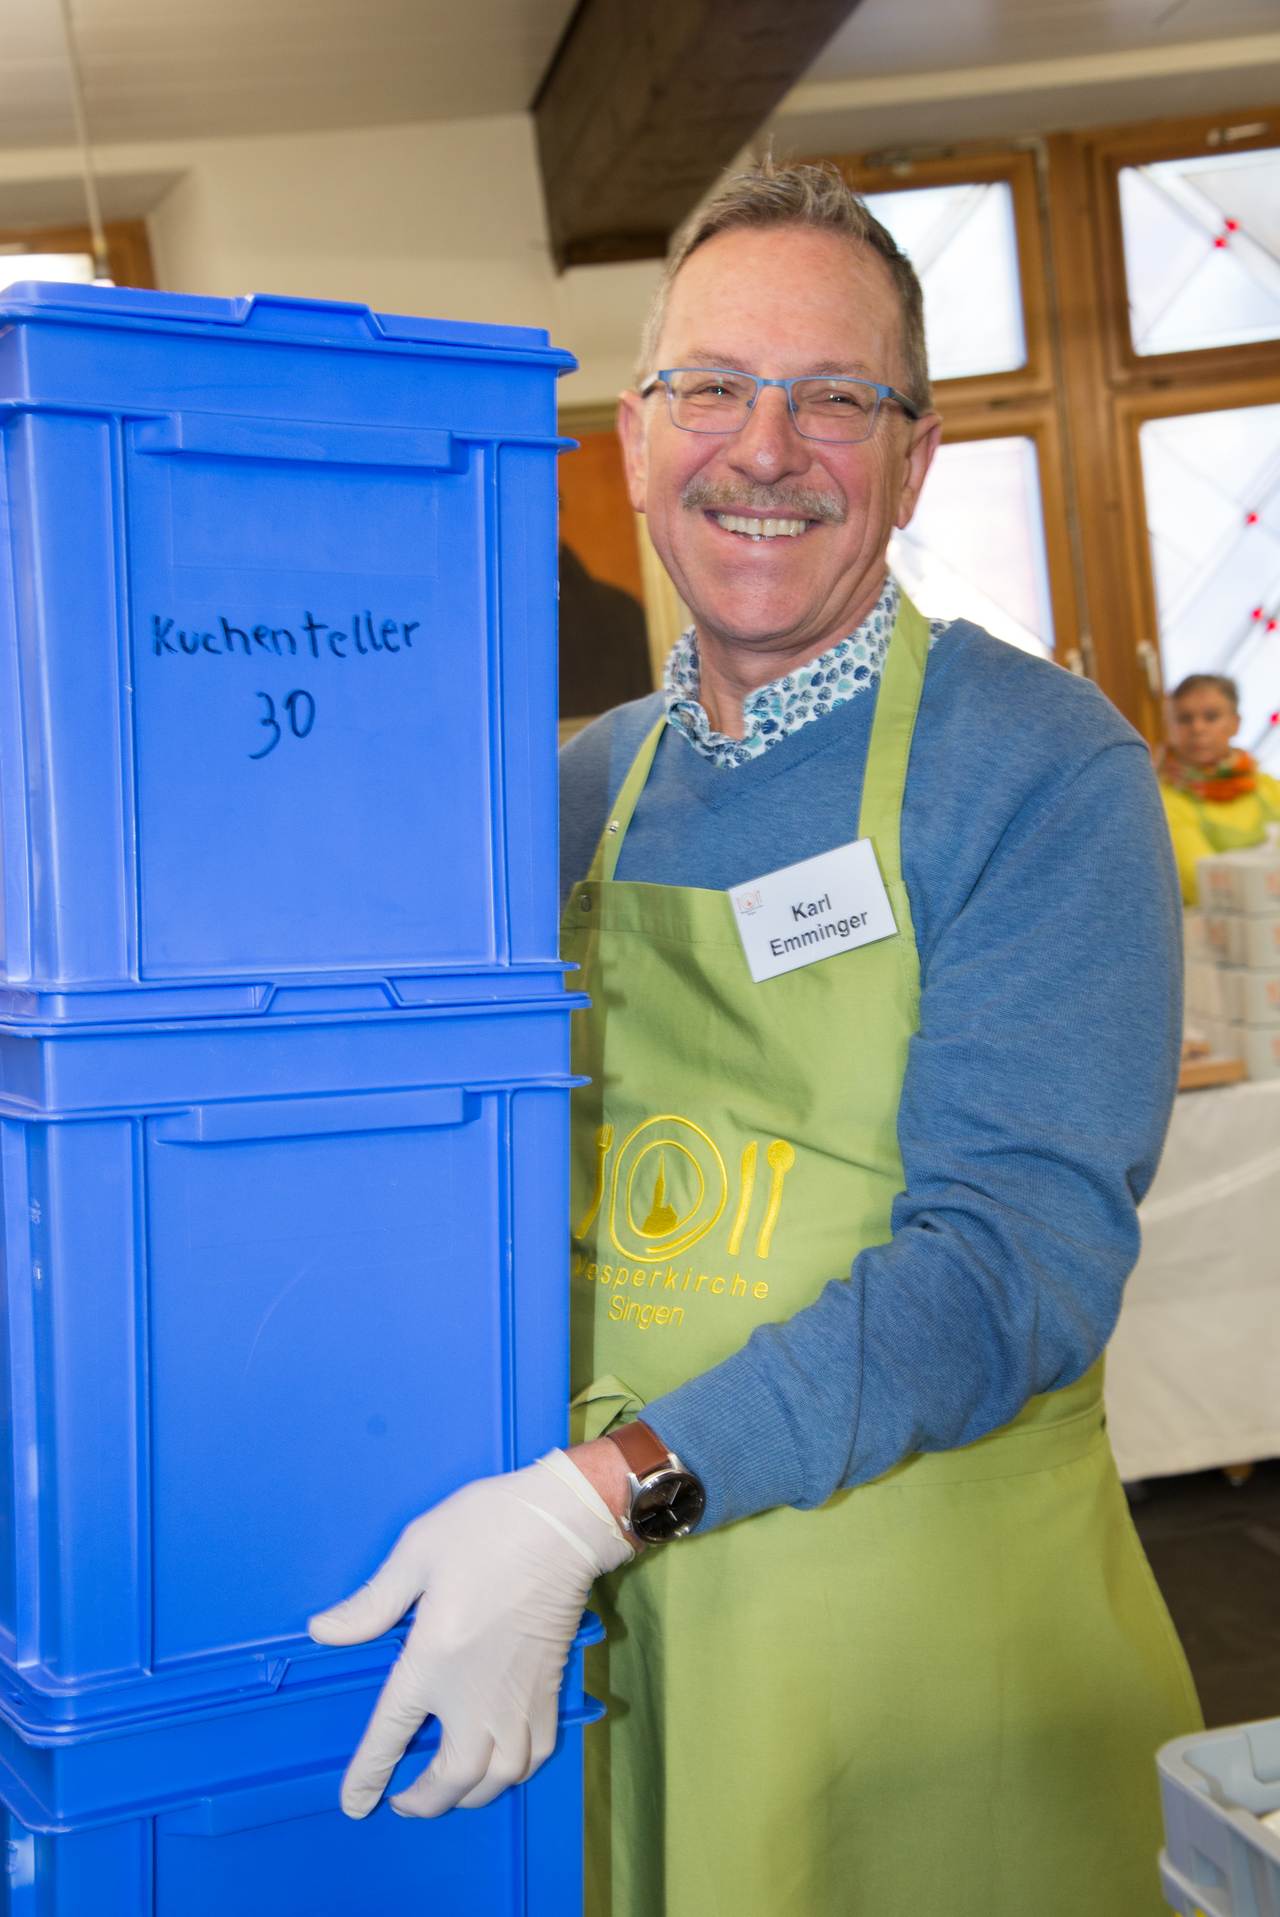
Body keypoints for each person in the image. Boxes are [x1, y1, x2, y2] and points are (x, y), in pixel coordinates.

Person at [311, 160, 1200, 1916]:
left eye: (835, 398)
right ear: (637, 443)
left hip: (920, 1671)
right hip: (609, 1649)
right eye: (712, 387)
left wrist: (594, 1498)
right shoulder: (573, 793)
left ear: (915, 458)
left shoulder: (1040, 769)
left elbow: (1012, 1266)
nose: (766, 449)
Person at [1157, 671, 1280, 903]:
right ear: (1170, 726)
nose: (1198, 728)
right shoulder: (1162, 802)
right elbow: (1199, 881)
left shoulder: (1268, 787)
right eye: (1184, 719)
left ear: (1235, 723)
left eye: (1211, 717)